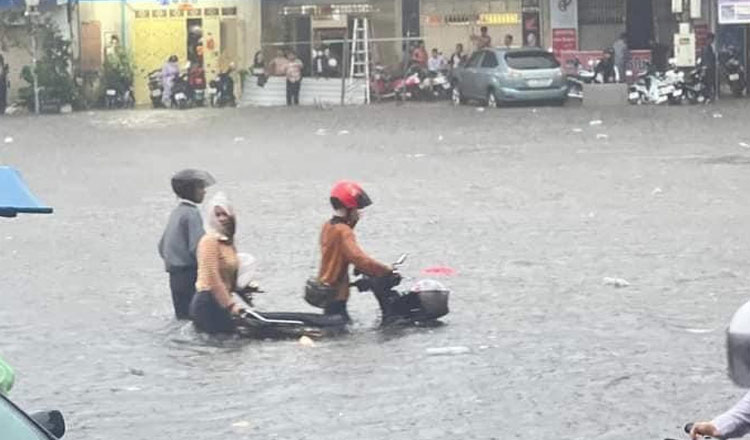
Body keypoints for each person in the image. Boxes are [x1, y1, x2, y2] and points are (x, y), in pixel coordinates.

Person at [316, 181, 394, 322]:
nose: (359, 213)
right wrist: (384, 270)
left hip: (327, 289)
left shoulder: (328, 226)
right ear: (349, 207)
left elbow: (339, 254)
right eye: (357, 209)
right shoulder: (343, 231)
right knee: (342, 328)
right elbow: (358, 257)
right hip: (338, 292)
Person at [159, 169, 215, 320]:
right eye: (201, 188)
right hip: (190, 275)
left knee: (183, 318)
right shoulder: (192, 214)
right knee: (198, 318)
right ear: (191, 190)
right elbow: (199, 247)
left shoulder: (176, 212)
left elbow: (162, 246)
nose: (204, 192)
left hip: (175, 277)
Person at [189, 192, 244, 334]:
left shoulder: (227, 243)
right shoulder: (209, 241)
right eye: (217, 215)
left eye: (224, 214)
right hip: (208, 303)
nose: (222, 219)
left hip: (222, 300)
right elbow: (212, 276)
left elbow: (228, 275)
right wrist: (230, 305)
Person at [701, 32, 717, 100]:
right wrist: (705, 68)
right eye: (712, 39)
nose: (712, 41)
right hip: (708, 69)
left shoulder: (709, 47)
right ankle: (707, 96)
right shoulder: (706, 48)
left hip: (710, 68)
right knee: (708, 83)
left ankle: (709, 96)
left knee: (710, 83)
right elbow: (705, 59)